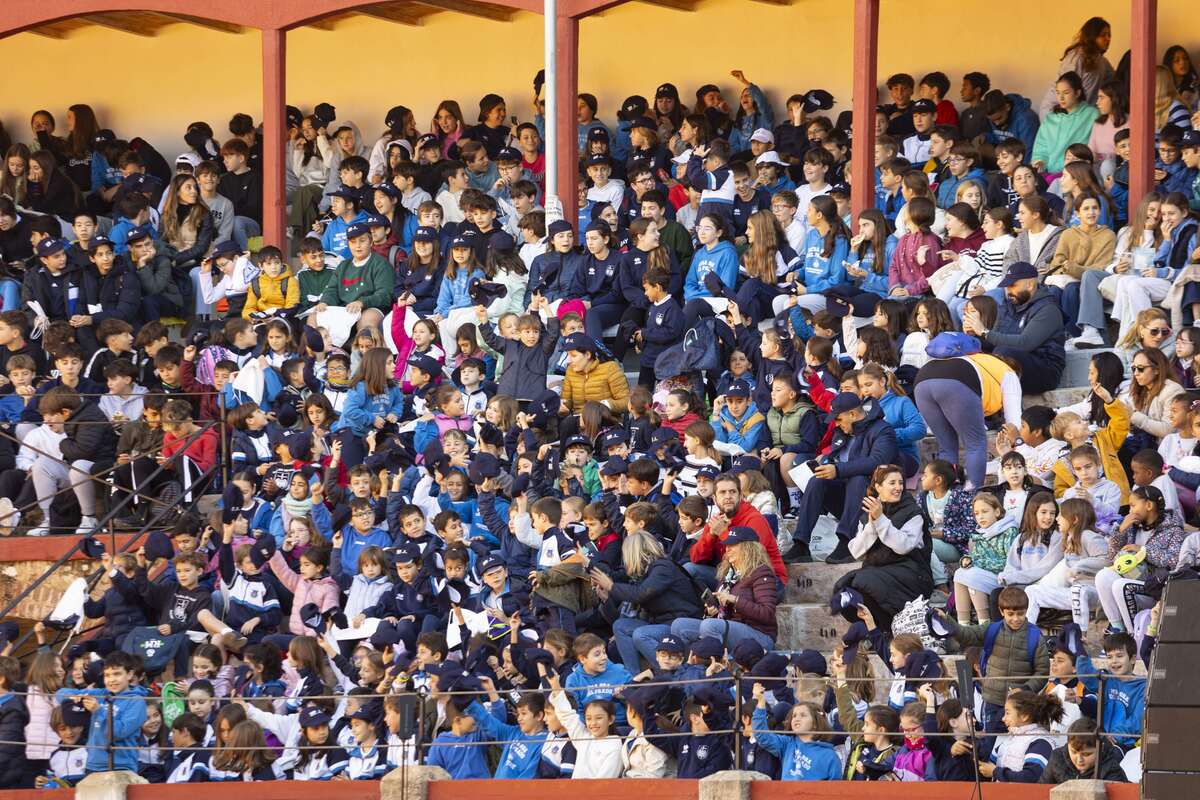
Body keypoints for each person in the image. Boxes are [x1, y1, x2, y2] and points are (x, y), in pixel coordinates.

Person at [785, 391, 898, 565]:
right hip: (847, 501)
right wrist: (827, 465)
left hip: (873, 503)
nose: (835, 424)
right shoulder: (842, 431)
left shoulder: (883, 430)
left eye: (838, 419)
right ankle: (800, 544)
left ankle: (846, 543)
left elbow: (878, 462)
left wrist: (837, 470)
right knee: (817, 480)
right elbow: (837, 460)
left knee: (858, 478)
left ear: (852, 414)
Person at [835, 464, 934, 631]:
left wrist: (881, 519)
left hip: (911, 573)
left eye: (900, 483)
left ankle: (886, 629)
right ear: (878, 487)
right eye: (892, 483)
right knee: (843, 591)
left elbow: (903, 546)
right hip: (877, 572)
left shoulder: (913, 512)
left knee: (865, 581)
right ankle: (875, 630)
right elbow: (856, 551)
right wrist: (873, 522)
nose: (898, 488)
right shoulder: (867, 515)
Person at [594, 531, 703, 672]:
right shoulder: (644, 573)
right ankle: (633, 677)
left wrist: (611, 586)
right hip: (660, 623)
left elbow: (641, 594)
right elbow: (632, 605)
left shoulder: (663, 568)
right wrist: (607, 599)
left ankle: (674, 673)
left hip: (679, 623)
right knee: (620, 626)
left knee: (641, 634)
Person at [670, 525, 778, 652]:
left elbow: (766, 613)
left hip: (760, 635)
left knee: (710, 626)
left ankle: (717, 665)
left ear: (748, 548)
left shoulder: (761, 572)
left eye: (732, 546)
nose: (727, 550)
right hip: (731, 627)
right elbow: (723, 616)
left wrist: (734, 600)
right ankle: (692, 668)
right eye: (727, 546)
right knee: (679, 625)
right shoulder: (728, 574)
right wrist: (713, 612)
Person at [963, 262, 1065, 394]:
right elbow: (993, 342)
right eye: (1006, 287)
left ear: (1029, 285)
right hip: (1012, 364)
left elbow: (1025, 344)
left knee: (1004, 353)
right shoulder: (1007, 306)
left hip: (1045, 370)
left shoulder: (1048, 309)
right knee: (965, 349)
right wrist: (973, 335)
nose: (1008, 291)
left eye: (1012, 286)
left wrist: (984, 331)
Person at [1039, 17, 1115, 115]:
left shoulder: (1101, 61)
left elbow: (1114, 81)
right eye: (1103, 35)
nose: (1108, 39)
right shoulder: (1076, 58)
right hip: (1057, 112)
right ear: (1092, 36)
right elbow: (1065, 88)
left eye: (1109, 35)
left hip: (1080, 115)